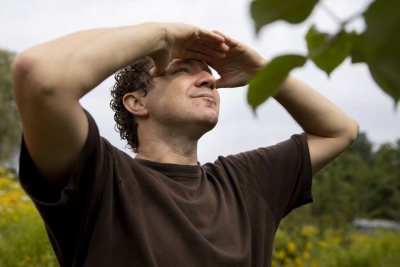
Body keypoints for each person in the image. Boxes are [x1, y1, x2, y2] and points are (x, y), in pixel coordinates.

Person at [12, 22, 359, 267]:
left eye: (207, 73)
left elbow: (340, 131)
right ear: (137, 103)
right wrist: (162, 36)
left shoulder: (245, 182)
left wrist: (260, 72)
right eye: (182, 70)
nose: (209, 78)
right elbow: (39, 74)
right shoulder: (99, 178)